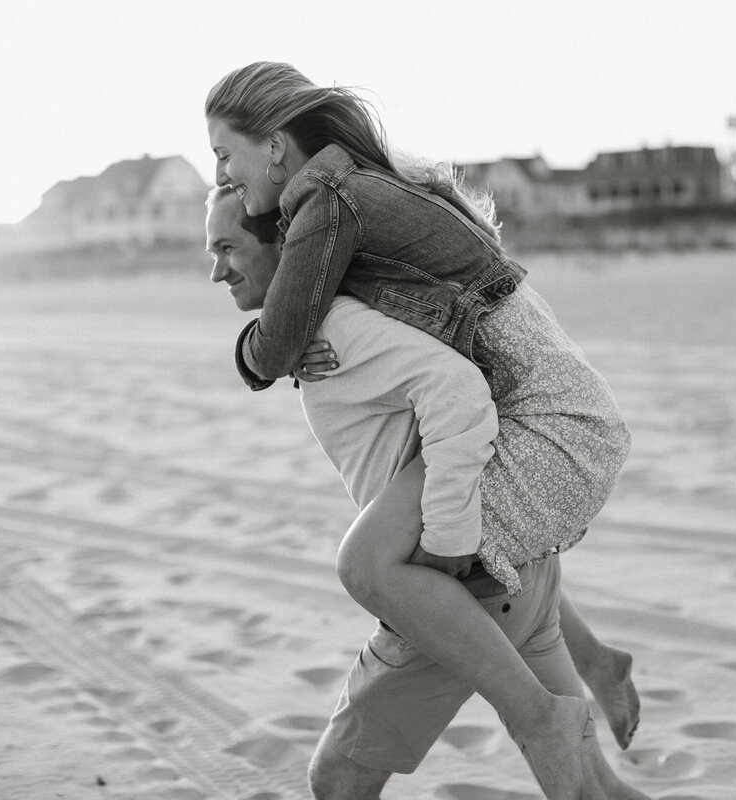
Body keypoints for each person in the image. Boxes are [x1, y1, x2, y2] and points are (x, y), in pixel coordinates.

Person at [206, 62, 634, 800]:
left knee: (370, 571)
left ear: (275, 147)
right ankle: (585, 677)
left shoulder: (329, 218)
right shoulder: (367, 219)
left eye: (226, 159)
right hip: (532, 466)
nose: (215, 271)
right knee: (594, 790)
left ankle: (539, 716)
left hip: (546, 418)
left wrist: (263, 346)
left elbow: (285, 349)